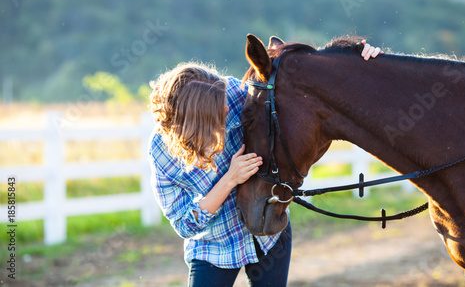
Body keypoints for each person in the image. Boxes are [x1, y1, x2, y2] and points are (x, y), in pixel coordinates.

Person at [148, 41, 382, 287]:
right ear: (197, 120)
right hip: (214, 248)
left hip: (270, 232)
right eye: (219, 110)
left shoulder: (236, 95)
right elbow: (185, 225)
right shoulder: (162, 155)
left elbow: (299, 79)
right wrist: (230, 179)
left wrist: (355, 55)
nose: (228, 106)